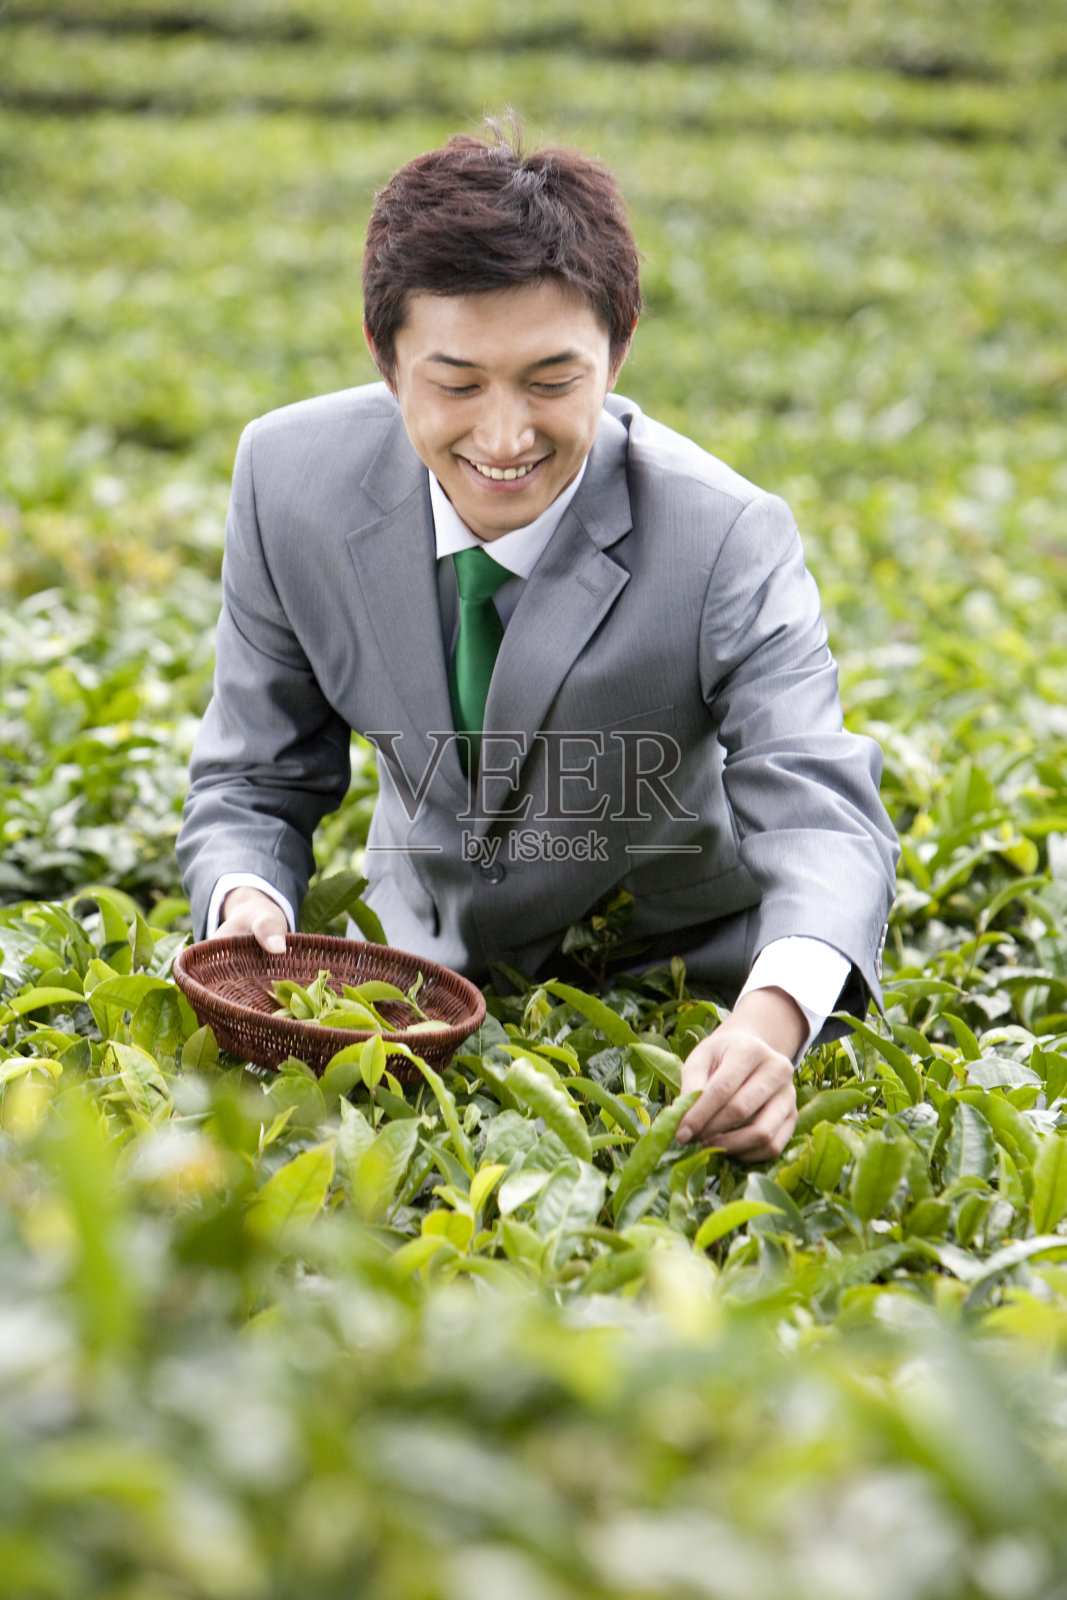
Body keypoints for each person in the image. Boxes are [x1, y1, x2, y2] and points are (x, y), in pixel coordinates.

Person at [177, 123, 899, 1162]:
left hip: (674, 991)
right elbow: (254, 776)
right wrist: (246, 896)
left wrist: (769, 1021)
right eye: (457, 383)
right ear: (385, 358)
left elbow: (823, 814)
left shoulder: (723, 535)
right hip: (411, 987)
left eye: (552, 380)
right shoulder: (288, 481)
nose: (505, 437)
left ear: (619, 348)